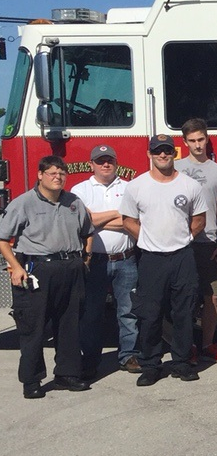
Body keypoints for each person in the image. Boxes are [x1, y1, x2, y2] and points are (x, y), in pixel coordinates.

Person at [0, 156, 94, 399]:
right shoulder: (24, 203)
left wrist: (85, 259)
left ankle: (67, 374)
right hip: (37, 269)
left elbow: (88, 232)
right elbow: (2, 240)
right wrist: (15, 267)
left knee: (69, 323)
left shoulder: (74, 202)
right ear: (40, 175)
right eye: (52, 173)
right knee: (33, 327)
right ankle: (31, 381)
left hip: (70, 268)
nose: (57, 177)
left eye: (61, 173)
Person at [120, 135, 207, 387]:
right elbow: (128, 220)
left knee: (184, 311)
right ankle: (151, 365)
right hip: (151, 259)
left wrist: (184, 238)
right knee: (150, 314)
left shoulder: (190, 185)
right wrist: (148, 239)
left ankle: (182, 362)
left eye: (167, 150)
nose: (163, 155)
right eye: (157, 151)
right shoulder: (137, 186)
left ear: (174, 153)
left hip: (182, 257)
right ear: (150, 154)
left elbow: (199, 218)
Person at [72, 145, 140, 378]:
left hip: (126, 259)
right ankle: (90, 360)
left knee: (128, 311)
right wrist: (115, 214)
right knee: (91, 313)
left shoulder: (130, 187)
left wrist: (97, 219)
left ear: (116, 162)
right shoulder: (79, 190)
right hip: (95, 261)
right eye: (100, 160)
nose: (105, 164)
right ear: (91, 164)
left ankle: (129, 355)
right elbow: (82, 221)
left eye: (109, 159)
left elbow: (132, 220)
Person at [175, 118, 217, 363]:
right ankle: (186, 348)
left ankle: (208, 344)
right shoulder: (174, 169)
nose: (197, 145)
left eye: (201, 140)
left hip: (208, 241)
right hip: (179, 243)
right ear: (185, 142)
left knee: (214, 296)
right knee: (183, 297)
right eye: (192, 141)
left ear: (207, 139)